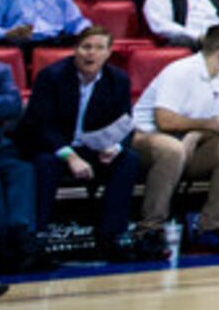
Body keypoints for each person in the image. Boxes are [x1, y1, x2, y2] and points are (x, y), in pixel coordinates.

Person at [128, 24, 219, 256]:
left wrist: (196, 134)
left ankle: (210, 229)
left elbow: (215, 127)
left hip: (186, 144)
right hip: (145, 139)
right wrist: (205, 126)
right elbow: (163, 120)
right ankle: (148, 232)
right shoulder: (181, 71)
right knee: (172, 150)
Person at [19, 28, 140, 251]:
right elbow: (41, 126)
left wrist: (114, 147)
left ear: (109, 52)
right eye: (86, 47)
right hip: (54, 147)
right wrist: (70, 156)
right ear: (75, 50)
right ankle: (38, 237)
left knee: (128, 159)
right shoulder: (52, 76)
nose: (91, 54)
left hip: (92, 148)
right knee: (45, 163)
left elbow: (125, 125)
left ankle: (111, 236)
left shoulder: (118, 80)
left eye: (99, 48)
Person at [0, 48, 40, 272]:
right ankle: (2, 243)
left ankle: (22, 237)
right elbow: (1, 106)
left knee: (21, 170)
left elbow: (12, 105)